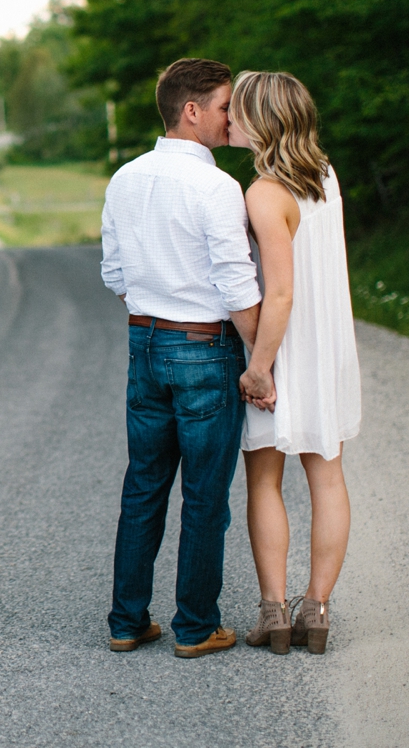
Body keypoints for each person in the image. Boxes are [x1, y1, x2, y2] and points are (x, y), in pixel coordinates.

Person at [101, 58, 262, 659]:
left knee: (143, 485)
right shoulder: (217, 187)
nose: (231, 120)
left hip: (143, 343)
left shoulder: (124, 178)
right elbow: (237, 286)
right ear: (191, 111)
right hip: (203, 348)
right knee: (203, 494)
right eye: (225, 107)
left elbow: (115, 273)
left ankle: (127, 621)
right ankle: (195, 627)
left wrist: (156, 306)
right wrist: (260, 362)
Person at [228, 71, 361, 656]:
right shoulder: (324, 176)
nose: (226, 116)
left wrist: (259, 369)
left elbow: (278, 293)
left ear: (260, 119)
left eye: (235, 108)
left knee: (264, 479)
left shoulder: (263, 191)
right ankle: (319, 609)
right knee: (327, 476)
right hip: (326, 347)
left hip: (282, 350)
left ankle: (274, 613)